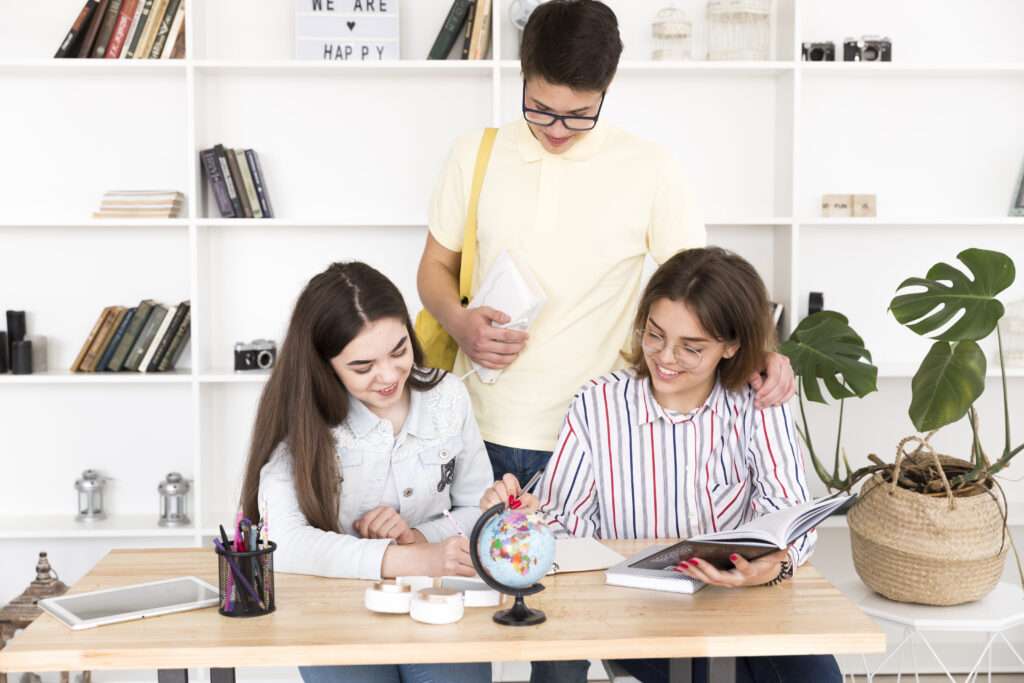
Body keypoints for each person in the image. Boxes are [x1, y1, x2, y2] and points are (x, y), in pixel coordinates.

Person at [417, 0, 795, 494]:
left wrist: (762, 352)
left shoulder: (651, 169)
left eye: (578, 116)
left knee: (587, 572)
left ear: (607, 88)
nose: (555, 130)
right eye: (540, 109)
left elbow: (702, 289)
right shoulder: (474, 155)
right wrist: (460, 322)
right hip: (474, 425)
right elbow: (434, 268)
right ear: (524, 75)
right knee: (472, 568)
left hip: (599, 434)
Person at [481, 248, 843, 683]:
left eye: (691, 348)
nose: (666, 358)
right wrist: (526, 517)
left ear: (731, 346)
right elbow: (566, 522)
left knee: (818, 677)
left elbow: (788, 512)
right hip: (638, 611)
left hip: (743, 599)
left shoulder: (758, 403)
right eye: (655, 336)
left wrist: (776, 563)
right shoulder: (599, 404)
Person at [239, 261, 492, 683]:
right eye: (363, 367)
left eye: (399, 351)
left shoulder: (447, 397)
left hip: (436, 604)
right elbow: (283, 543)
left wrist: (419, 538)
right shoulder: (302, 418)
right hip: (334, 611)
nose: (390, 376)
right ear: (325, 364)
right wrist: (408, 558)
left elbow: (476, 507)